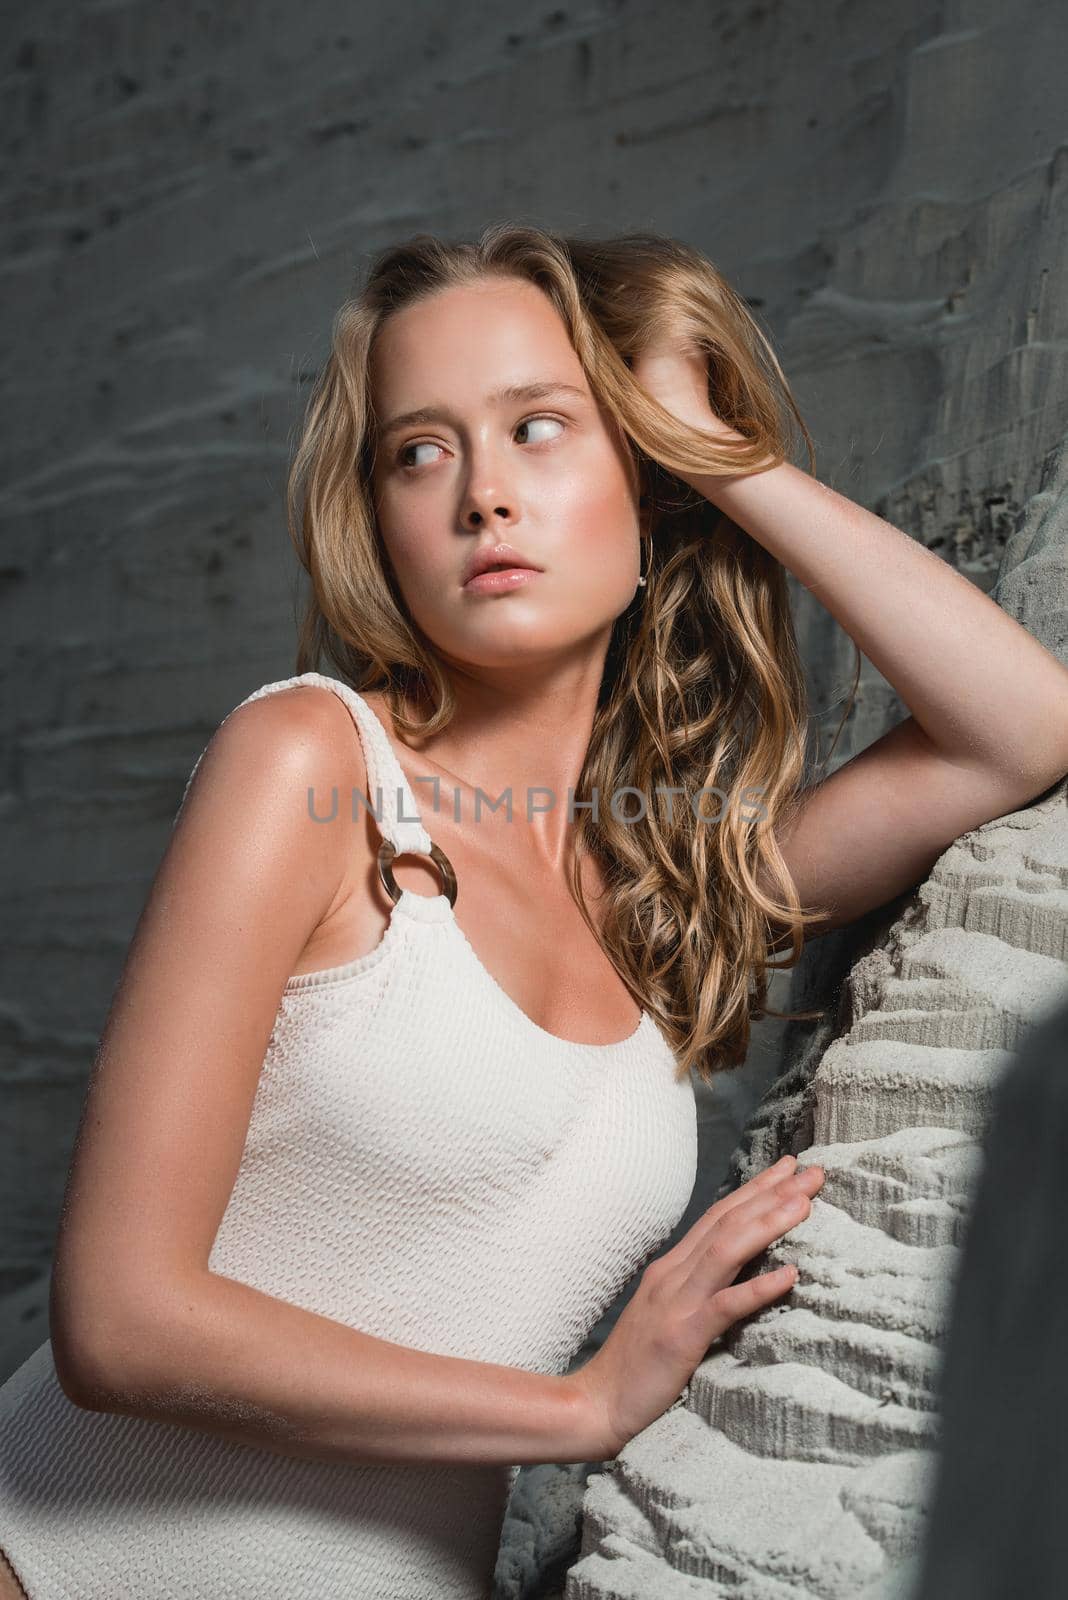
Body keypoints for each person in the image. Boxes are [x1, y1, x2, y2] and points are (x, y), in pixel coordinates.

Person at [2, 224, 1065, 1599]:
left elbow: (1020, 729)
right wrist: (581, 1407)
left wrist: (714, 454)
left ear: (646, 489)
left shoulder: (664, 888)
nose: (483, 496)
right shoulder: (312, 763)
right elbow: (119, 1321)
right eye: (421, 451)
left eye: (542, 429)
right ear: (379, 517)